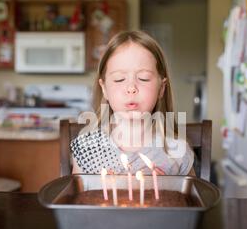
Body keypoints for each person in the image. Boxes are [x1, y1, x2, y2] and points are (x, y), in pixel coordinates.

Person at [71, 30, 195, 175]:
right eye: (119, 79)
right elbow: (77, 196)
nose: (131, 88)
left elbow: (190, 197)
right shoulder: (88, 149)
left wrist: (167, 187)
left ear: (161, 88)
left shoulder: (177, 152)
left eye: (143, 78)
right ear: (104, 88)